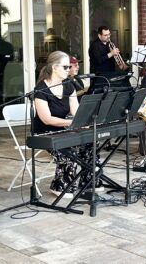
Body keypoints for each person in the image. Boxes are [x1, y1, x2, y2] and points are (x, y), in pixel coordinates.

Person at [32, 51, 90, 198]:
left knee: (89, 143)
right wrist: (71, 123)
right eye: (65, 67)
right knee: (70, 150)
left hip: (62, 129)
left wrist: (82, 122)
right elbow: (46, 119)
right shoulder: (41, 90)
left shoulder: (69, 86)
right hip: (44, 133)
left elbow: (76, 112)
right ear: (54, 67)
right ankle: (59, 186)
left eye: (69, 67)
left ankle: (87, 181)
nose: (69, 70)